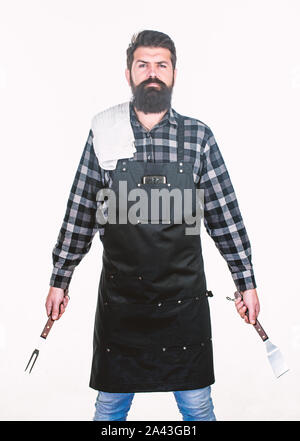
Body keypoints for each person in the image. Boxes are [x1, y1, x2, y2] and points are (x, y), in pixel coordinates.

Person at [46, 30, 260, 421]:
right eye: (143, 64)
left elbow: (224, 215)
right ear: (128, 73)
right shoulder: (104, 131)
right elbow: (80, 211)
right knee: (110, 407)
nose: (152, 73)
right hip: (122, 304)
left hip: (183, 304)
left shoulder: (198, 137)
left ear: (174, 73)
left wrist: (245, 282)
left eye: (161, 64)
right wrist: (60, 278)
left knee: (197, 406)